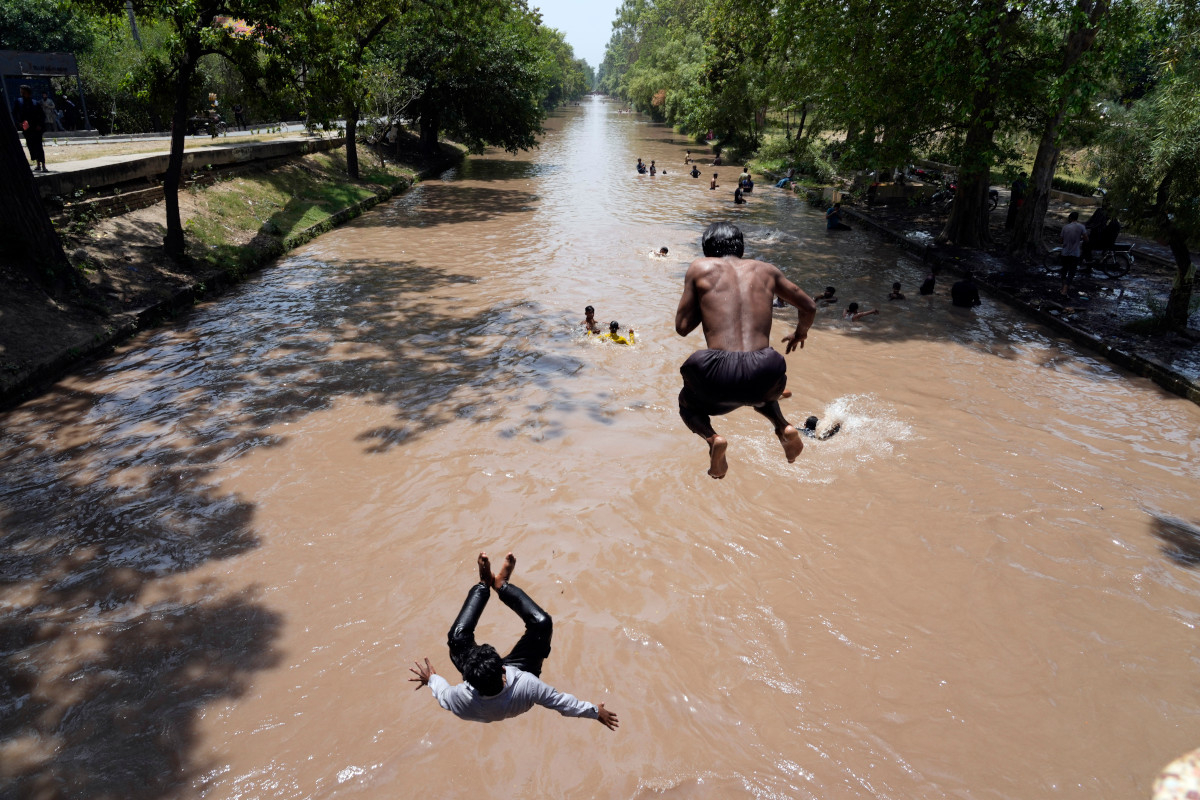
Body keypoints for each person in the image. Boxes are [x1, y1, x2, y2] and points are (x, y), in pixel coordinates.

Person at [410, 552, 619, 730]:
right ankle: (501, 585)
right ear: (502, 668)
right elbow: (562, 703)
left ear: (467, 681)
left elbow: (442, 692)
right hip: (522, 673)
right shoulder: (529, 685)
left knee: (457, 640)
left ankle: (484, 585)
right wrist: (595, 712)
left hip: (490, 687)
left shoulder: (461, 700)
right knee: (542, 623)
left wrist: (431, 679)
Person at [674, 221, 817, 479]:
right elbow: (809, 306)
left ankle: (713, 439)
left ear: (707, 250)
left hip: (716, 373)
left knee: (687, 406)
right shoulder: (768, 270)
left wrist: (704, 301)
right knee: (761, 394)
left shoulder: (699, 268)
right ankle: (784, 428)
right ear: (741, 247)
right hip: (765, 367)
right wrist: (800, 333)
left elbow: (682, 327)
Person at [11, 85, 47, 172]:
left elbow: (42, 115)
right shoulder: (18, 102)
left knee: (39, 146)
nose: (22, 93)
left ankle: (43, 165)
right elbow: (14, 113)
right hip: (27, 128)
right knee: (31, 146)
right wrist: (19, 123)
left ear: (28, 92)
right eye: (21, 91)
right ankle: (37, 164)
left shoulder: (35, 103)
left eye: (23, 91)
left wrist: (39, 125)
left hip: (36, 129)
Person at [1060, 211, 1088, 295]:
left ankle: (1063, 286)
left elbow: (1061, 240)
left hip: (1065, 252)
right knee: (1072, 271)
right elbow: (1086, 239)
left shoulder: (1065, 227)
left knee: (1064, 270)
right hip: (1075, 253)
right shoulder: (1081, 227)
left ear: (1070, 218)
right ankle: (1065, 289)